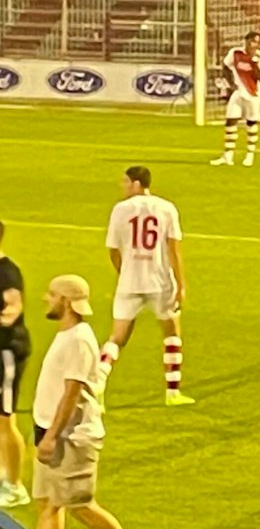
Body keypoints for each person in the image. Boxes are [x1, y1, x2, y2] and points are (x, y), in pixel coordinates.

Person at [0, 275, 153, 529]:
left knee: (80, 505)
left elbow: (71, 394)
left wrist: (52, 437)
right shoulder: (70, 335)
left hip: (72, 438)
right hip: (54, 433)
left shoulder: (78, 340)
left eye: (52, 294)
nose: (46, 298)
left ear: (66, 302)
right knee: (49, 505)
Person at [100, 166, 190, 407]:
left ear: (137, 183)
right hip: (160, 281)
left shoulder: (120, 210)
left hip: (129, 282)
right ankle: (173, 392)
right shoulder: (167, 208)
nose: (123, 186)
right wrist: (181, 284)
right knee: (171, 333)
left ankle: (97, 384)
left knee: (117, 337)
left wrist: (124, 272)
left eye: (125, 182)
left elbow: (113, 250)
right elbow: (174, 250)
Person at [210, 30, 260, 168]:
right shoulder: (235, 53)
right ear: (246, 41)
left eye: (256, 42)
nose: (253, 44)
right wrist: (231, 84)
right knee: (230, 121)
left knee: (251, 123)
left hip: (253, 94)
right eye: (251, 41)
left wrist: (254, 64)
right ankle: (228, 156)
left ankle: (250, 154)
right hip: (238, 92)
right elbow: (225, 66)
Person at [0, 222, 25, 508]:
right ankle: (3, 473)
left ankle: (15, 485)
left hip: (6, 352)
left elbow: (12, 308)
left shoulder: (7, 273)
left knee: (5, 418)